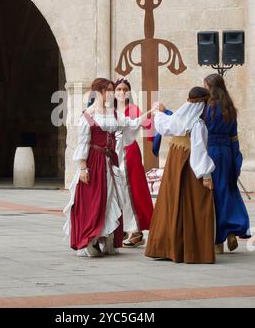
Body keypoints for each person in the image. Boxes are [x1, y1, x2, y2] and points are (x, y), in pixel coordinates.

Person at [63, 78, 155, 257]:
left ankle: (107, 239)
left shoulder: (114, 115)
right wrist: (83, 168)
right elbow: (83, 143)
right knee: (94, 201)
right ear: (98, 92)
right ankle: (90, 240)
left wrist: (152, 112)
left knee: (111, 199)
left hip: (110, 163)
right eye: (109, 90)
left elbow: (132, 124)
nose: (112, 94)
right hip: (94, 162)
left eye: (113, 90)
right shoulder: (88, 115)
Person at [145, 87, 216, 264]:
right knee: (196, 204)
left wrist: (158, 112)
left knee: (171, 202)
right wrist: (206, 175)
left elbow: (163, 124)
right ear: (203, 104)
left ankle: (166, 246)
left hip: (174, 164)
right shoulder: (197, 124)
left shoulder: (179, 117)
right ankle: (192, 251)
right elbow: (199, 151)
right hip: (190, 167)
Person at [204, 74, 251, 253]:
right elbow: (234, 138)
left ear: (209, 87)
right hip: (226, 152)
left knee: (213, 193)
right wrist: (236, 160)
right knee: (228, 190)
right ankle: (231, 228)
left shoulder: (207, 107)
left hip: (211, 151)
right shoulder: (229, 108)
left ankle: (218, 241)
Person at [114, 78, 153, 247]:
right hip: (113, 152)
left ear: (129, 92)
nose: (122, 92)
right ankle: (120, 228)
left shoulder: (134, 109)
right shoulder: (111, 110)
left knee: (132, 191)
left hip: (129, 153)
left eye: (125, 89)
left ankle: (136, 230)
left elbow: (148, 126)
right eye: (119, 89)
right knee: (115, 191)